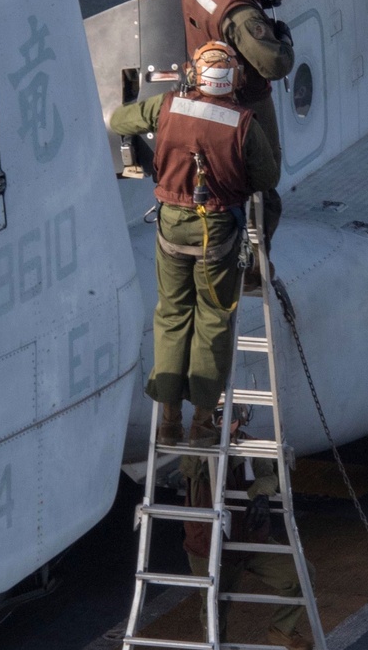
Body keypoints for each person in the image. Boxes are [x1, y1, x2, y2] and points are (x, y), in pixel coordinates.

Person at [109, 41, 279, 447]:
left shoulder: (167, 107)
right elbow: (267, 179)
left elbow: (119, 121)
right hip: (217, 233)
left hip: (171, 228)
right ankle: (202, 423)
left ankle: (168, 420)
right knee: (213, 322)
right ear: (232, 79)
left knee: (171, 316)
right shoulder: (243, 124)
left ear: (195, 75)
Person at [182, 0, 296, 238]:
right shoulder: (241, 15)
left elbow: (218, 16)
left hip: (202, 86)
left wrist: (255, 0)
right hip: (245, 99)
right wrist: (284, 40)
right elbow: (274, 64)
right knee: (264, 176)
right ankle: (256, 259)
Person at [183, 450, 314, 650]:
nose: (227, 422)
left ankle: (281, 628)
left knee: (301, 574)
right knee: (214, 615)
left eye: (233, 416)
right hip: (211, 548)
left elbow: (268, 474)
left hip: (249, 539)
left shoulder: (250, 446)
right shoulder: (200, 449)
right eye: (219, 417)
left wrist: (261, 494)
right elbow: (190, 468)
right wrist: (205, 442)